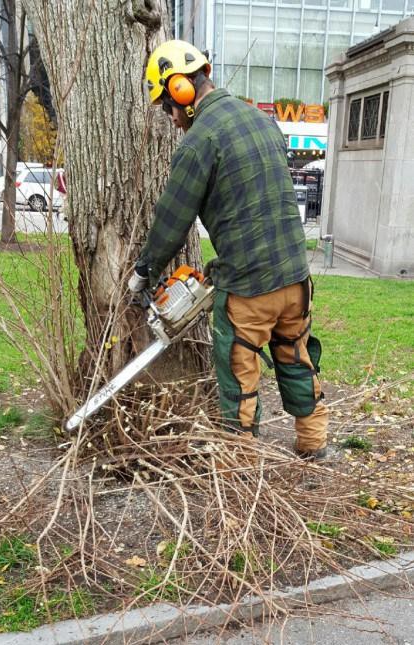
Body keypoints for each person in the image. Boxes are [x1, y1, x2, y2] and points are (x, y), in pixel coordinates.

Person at [128, 40, 328, 459]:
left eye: (167, 105)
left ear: (180, 90)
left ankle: (240, 464)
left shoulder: (200, 140)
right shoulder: (261, 120)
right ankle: (314, 444)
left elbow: (172, 218)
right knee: (296, 357)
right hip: (295, 277)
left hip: (250, 286)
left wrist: (144, 271)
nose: (171, 116)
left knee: (240, 373)